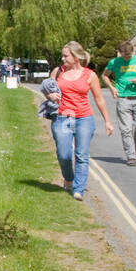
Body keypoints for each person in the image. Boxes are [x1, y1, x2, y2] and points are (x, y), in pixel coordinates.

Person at [52, 41, 114, 200]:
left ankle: (78, 189)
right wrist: (50, 96)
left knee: (81, 154)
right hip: (64, 118)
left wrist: (107, 121)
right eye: (63, 55)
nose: (63, 58)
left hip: (84, 118)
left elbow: (99, 99)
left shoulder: (90, 75)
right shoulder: (58, 72)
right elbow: (48, 89)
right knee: (63, 154)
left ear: (76, 57)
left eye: (66, 56)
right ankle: (68, 178)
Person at [102, 40, 136, 166]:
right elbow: (104, 75)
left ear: (133, 52)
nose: (127, 58)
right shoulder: (114, 62)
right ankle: (131, 156)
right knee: (126, 129)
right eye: (124, 56)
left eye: (129, 56)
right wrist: (111, 87)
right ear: (120, 53)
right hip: (123, 99)